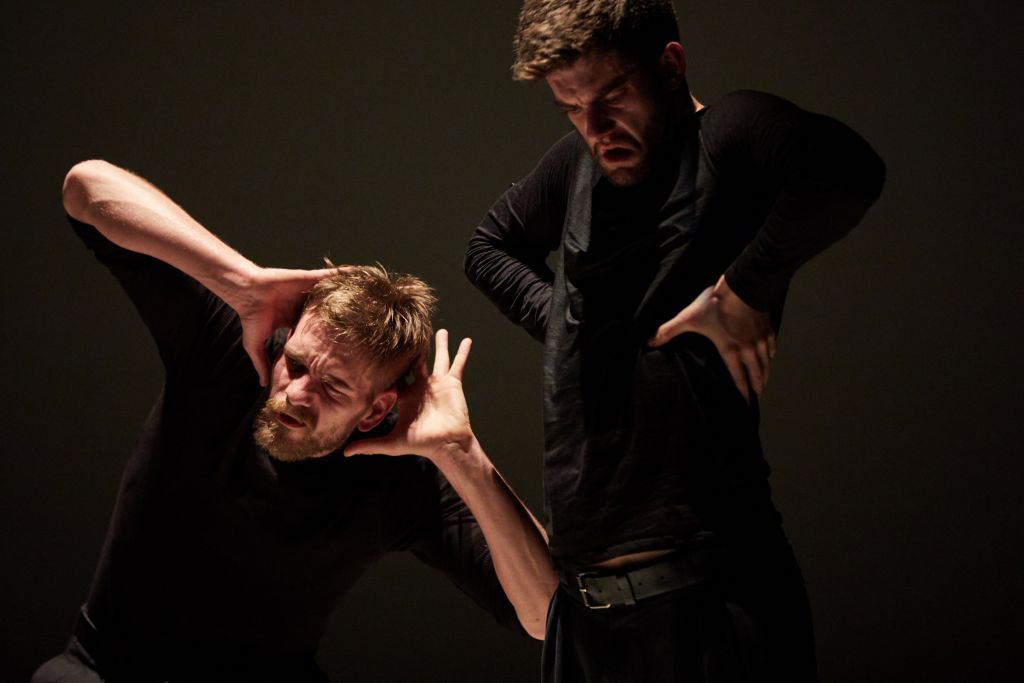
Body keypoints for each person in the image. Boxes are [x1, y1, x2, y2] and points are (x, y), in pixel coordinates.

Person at [464, 1, 886, 681]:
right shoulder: (577, 166)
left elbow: (850, 168)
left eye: (612, 97)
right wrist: (571, 330)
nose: (594, 128)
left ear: (669, 65)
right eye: (570, 107)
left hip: (712, 602)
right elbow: (488, 248)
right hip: (583, 615)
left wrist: (742, 291)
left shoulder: (726, 135)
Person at [34, 159, 557, 682]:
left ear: (376, 409)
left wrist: (460, 454)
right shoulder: (233, 352)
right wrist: (242, 282)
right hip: (104, 669)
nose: (297, 393)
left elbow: (542, 616)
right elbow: (85, 189)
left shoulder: (403, 476)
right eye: (298, 363)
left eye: (334, 387)